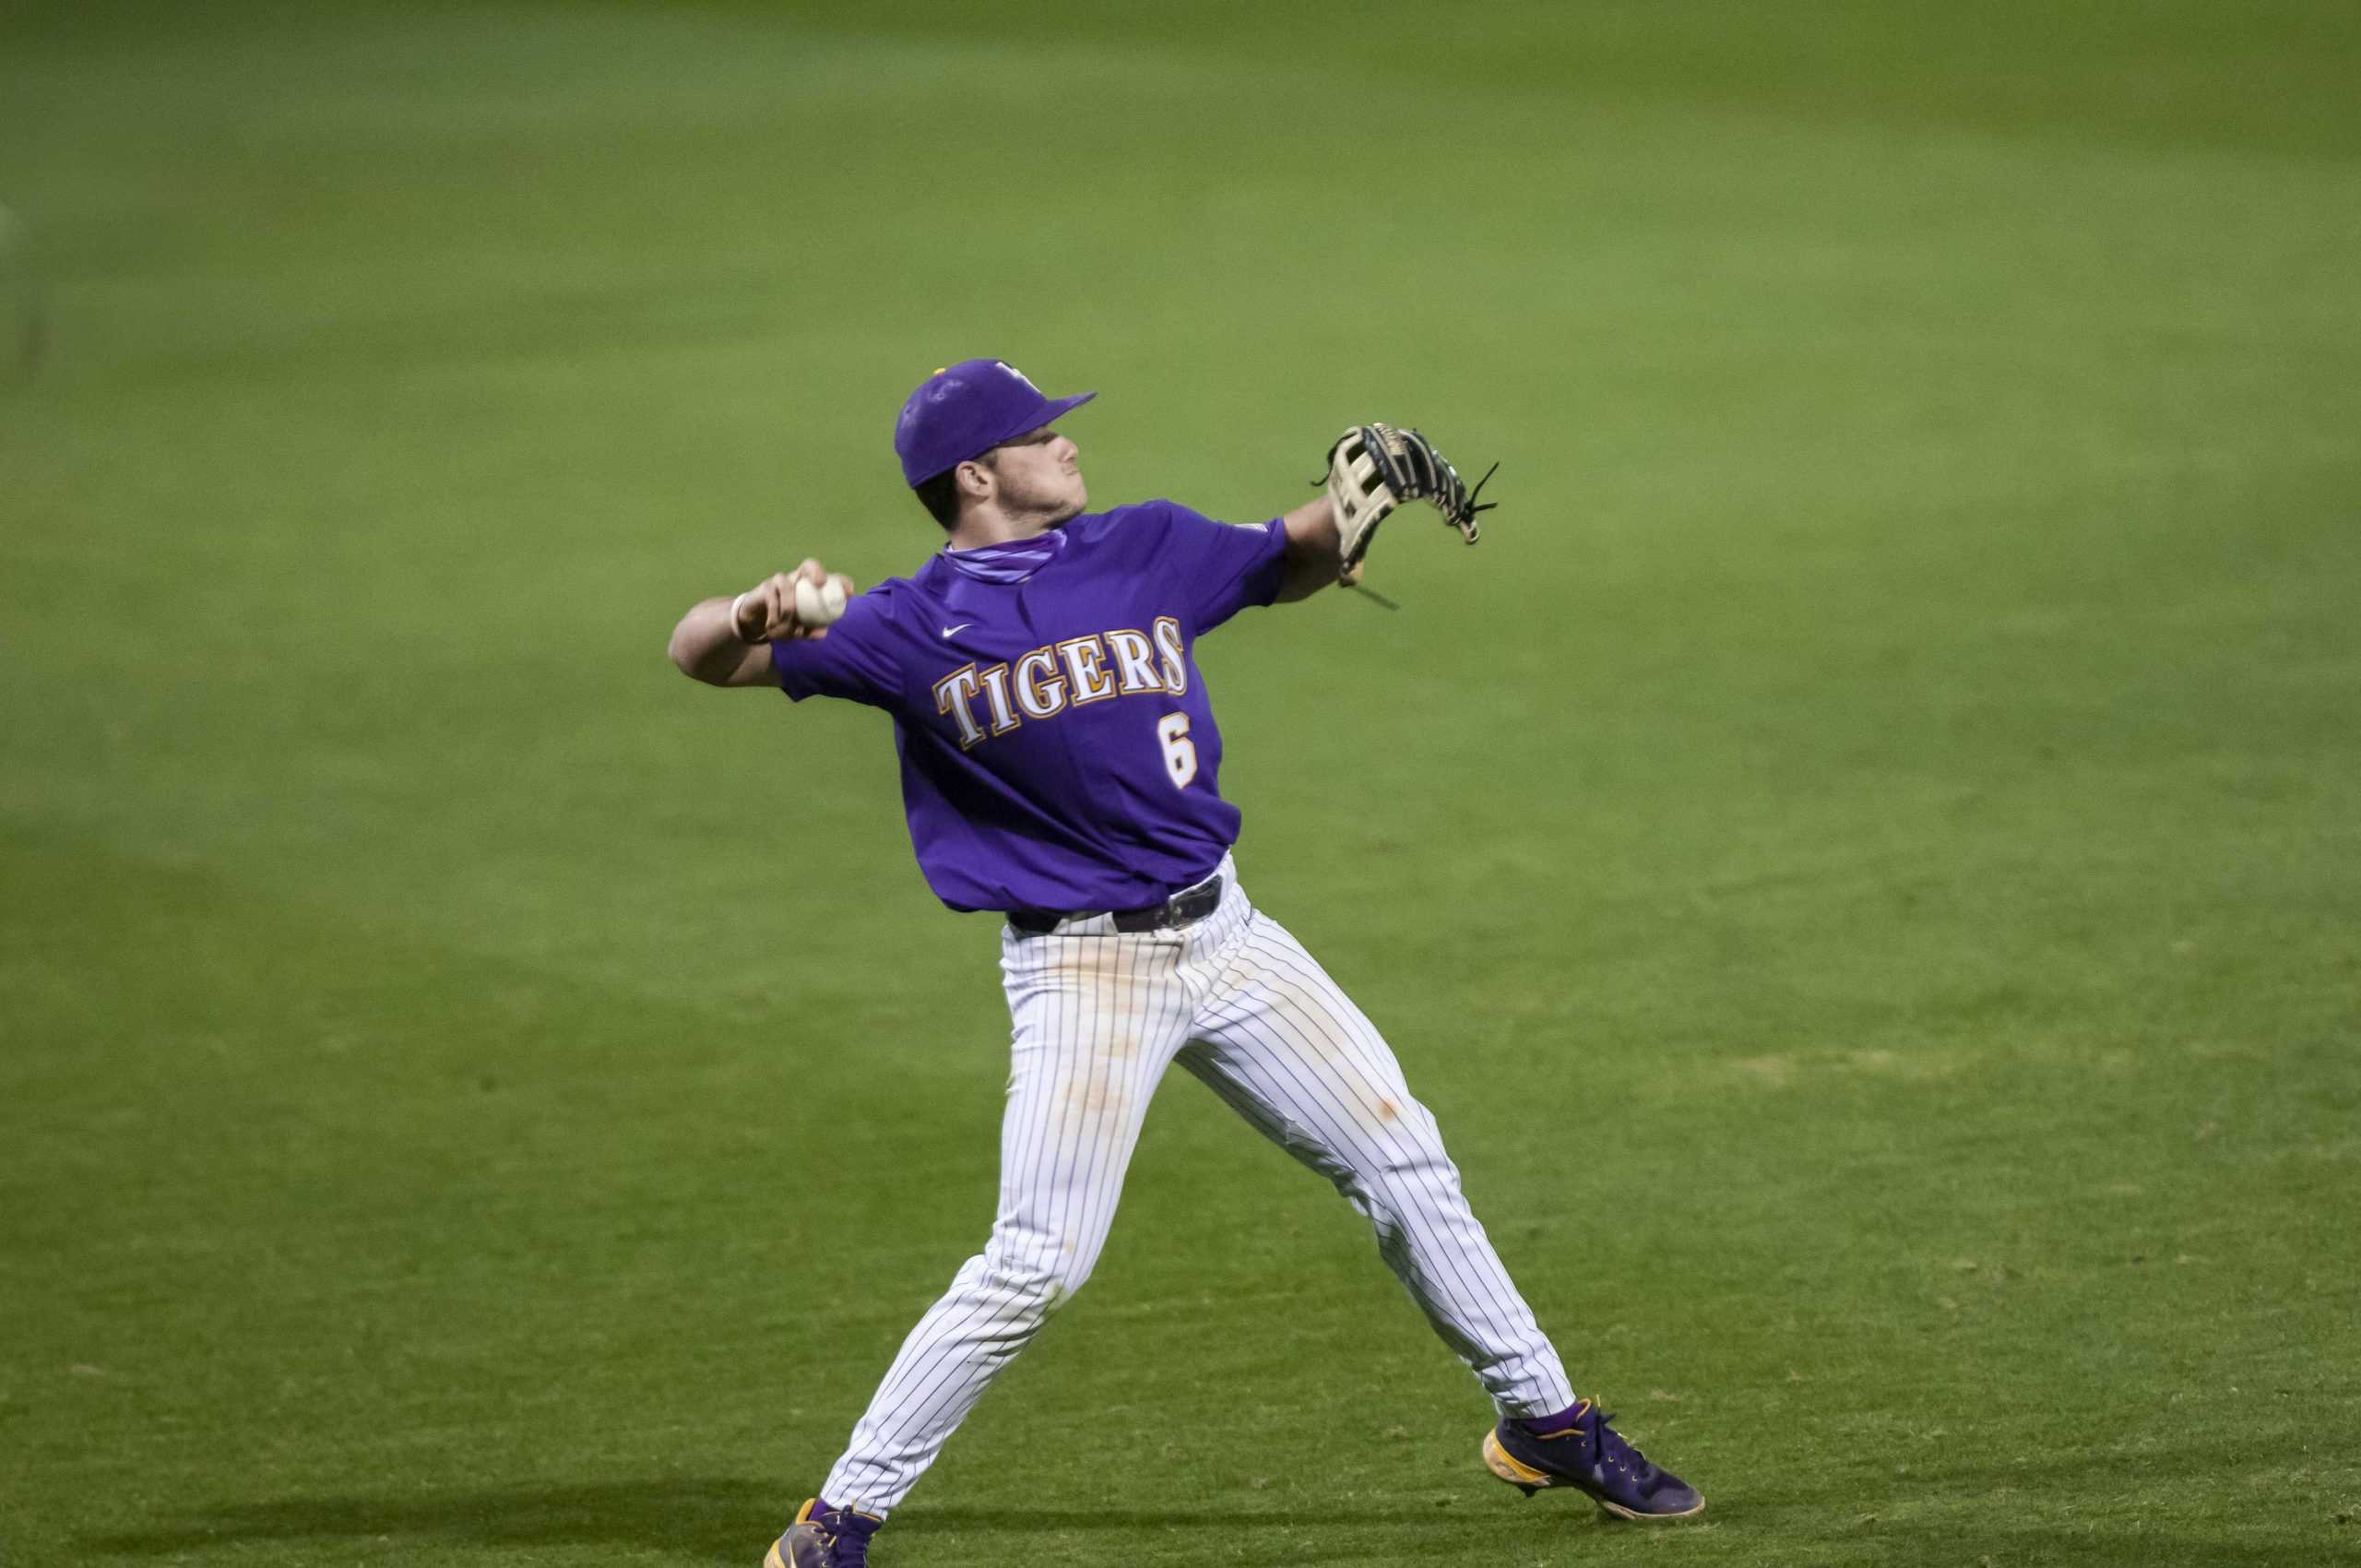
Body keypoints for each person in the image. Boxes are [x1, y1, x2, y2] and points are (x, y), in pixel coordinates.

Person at [666, 359, 1703, 1568]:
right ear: (976, 475)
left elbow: (1285, 556)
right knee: (1036, 1266)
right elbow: (697, 655)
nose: (1067, 445)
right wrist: (752, 615)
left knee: (1406, 1163)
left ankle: (1547, 1422)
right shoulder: (904, 628)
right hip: (1083, 977)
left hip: (1231, 937)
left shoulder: (1146, 546)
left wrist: (1360, 504)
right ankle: (837, 1519)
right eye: (1040, 434)